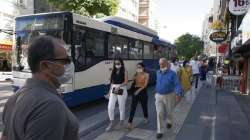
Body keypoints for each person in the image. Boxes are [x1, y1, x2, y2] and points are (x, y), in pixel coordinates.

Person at [1, 36, 79, 140]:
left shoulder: (14, 98)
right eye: (65, 61)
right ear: (46, 65)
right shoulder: (49, 105)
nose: (69, 64)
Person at [155, 58, 182, 139]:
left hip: (169, 95)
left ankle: (169, 121)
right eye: (160, 63)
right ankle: (160, 131)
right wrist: (156, 91)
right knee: (159, 113)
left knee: (169, 111)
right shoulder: (158, 72)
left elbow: (177, 84)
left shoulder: (172, 74)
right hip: (158, 95)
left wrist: (178, 93)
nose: (161, 65)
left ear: (167, 64)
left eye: (163, 63)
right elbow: (157, 82)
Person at [106, 58, 128, 132]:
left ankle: (121, 122)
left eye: (118, 63)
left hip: (121, 88)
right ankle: (112, 123)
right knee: (110, 107)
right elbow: (112, 83)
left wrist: (119, 86)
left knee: (121, 107)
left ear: (121, 63)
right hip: (114, 88)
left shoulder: (124, 71)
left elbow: (126, 82)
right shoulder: (113, 71)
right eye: (115, 64)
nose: (116, 65)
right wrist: (109, 92)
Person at [128, 63, 149, 129]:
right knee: (133, 107)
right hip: (135, 90)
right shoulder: (136, 74)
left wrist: (138, 91)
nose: (138, 69)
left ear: (143, 68)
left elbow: (145, 85)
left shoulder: (146, 75)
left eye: (139, 67)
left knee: (144, 106)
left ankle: (146, 117)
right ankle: (130, 122)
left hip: (143, 90)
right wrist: (134, 77)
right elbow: (132, 81)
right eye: (137, 67)